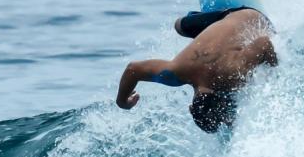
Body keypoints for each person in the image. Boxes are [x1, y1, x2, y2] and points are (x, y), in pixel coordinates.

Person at [115, 7, 277, 132]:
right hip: (228, 18)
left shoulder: (233, 76)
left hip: (256, 18)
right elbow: (133, 69)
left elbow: (265, 43)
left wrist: (273, 74)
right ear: (191, 108)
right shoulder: (175, 73)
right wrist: (122, 102)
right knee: (179, 26)